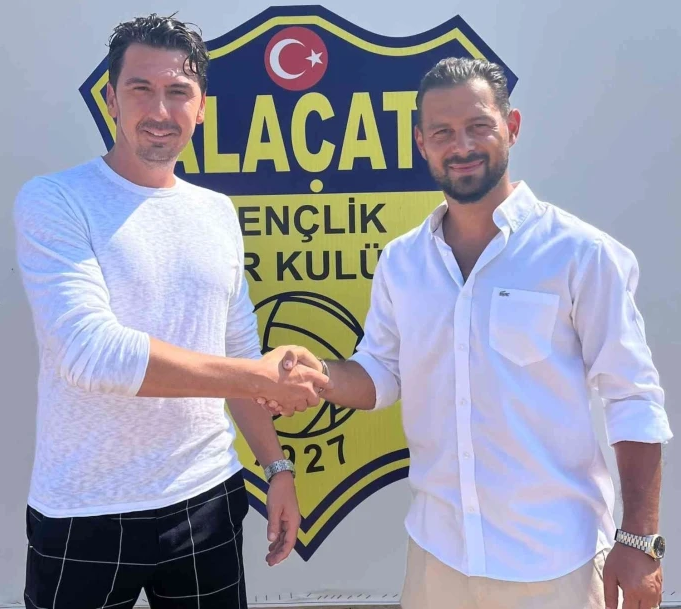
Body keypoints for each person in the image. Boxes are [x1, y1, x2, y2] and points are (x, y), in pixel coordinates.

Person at [269, 57, 673, 609]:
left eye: (478, 126)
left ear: (512, 126)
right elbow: (380, 374)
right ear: (421, 143)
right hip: (437, 559)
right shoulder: (403, 261)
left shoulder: (581, 254)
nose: (461, 146)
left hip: (558, 562)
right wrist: (318, 375)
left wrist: (640, 539)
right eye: (442, 132)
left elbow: (633, 397)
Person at [13, 14, 329, 609]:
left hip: (207, 499)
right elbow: (90, 354)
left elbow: (237, 351)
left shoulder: (216, 212)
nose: (160, 109)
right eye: (140, 89)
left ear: (201, 107)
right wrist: (260, 376)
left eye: (178, 91)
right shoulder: (55, 199)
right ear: (111, 100)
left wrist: (277, 468)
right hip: (85, 509)